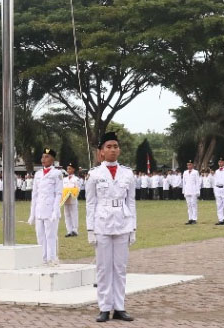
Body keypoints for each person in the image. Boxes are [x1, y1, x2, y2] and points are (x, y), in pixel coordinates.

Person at [85, 132, 136, 323]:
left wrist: (133, 228)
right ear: (101, 152)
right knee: (104, 268)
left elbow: (131, 203)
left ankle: (120, 307)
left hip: (123, 222)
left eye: (115, 146)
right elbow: (90, 203)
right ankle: (105, 307)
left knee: (120, 267)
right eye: (108, 147)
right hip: (102, 223)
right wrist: (90, 229)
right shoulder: (94, 174)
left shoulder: (127, 173)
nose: (113, 149)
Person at [28, 147, 64, 265]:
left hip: (50, 210)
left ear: (52, 160)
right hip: (39, 209)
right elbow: (35, 195)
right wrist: (32, 214)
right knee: (40, 235)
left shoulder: (57, 174)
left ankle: (52, 258)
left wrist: (55, 211)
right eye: (43, 156)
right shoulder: (38, 174)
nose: (43, 159)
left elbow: (58, 194)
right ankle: (42, 258)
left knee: (51, 235)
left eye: (47, 157)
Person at [62, 164, 81, 237]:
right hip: (65, 200)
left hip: (72, 199)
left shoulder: (76, 179)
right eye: (67, 169)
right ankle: (69, 230)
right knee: (67, 215)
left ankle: (75, 230)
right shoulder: (64, 179)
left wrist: (71, 192)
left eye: (69, 169)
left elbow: (78, 188)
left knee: (74, 215)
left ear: (73, 170)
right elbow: (62, 188)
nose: (68, 170)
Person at [212, 157, 224, 225]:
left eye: (222, 162)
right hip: (218, 188)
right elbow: (215, 181)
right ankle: (220, 219)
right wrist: (215, 190)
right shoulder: (217, 171)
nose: (220, 163)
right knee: (219, 205)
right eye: (219, 162)